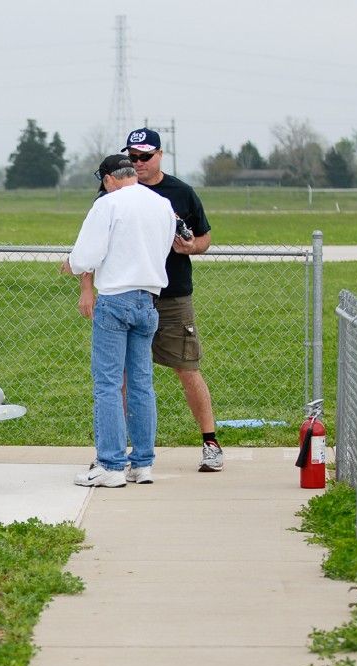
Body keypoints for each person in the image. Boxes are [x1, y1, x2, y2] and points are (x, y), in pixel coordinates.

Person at [65, 153, 177, 488]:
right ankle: (142, 464)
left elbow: (86, 256)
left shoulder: (108, 205)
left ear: (109, 178)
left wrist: (72, 264)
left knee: (108, 384)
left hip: (115, 299)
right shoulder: (161, 204)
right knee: (142, 384)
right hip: (149, 300)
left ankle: (110, 465)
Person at [123, 127, 224, 472]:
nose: (138, 164)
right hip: (129, 294)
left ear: (160, 155)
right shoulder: (117, 190)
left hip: (172, 294)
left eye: (145, 157)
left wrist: (191, 245)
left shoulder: (181, 192)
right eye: (132, 157)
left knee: (187, 367)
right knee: (122, 374)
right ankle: (117, 447)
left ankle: (210, 442)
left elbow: (205, 236)